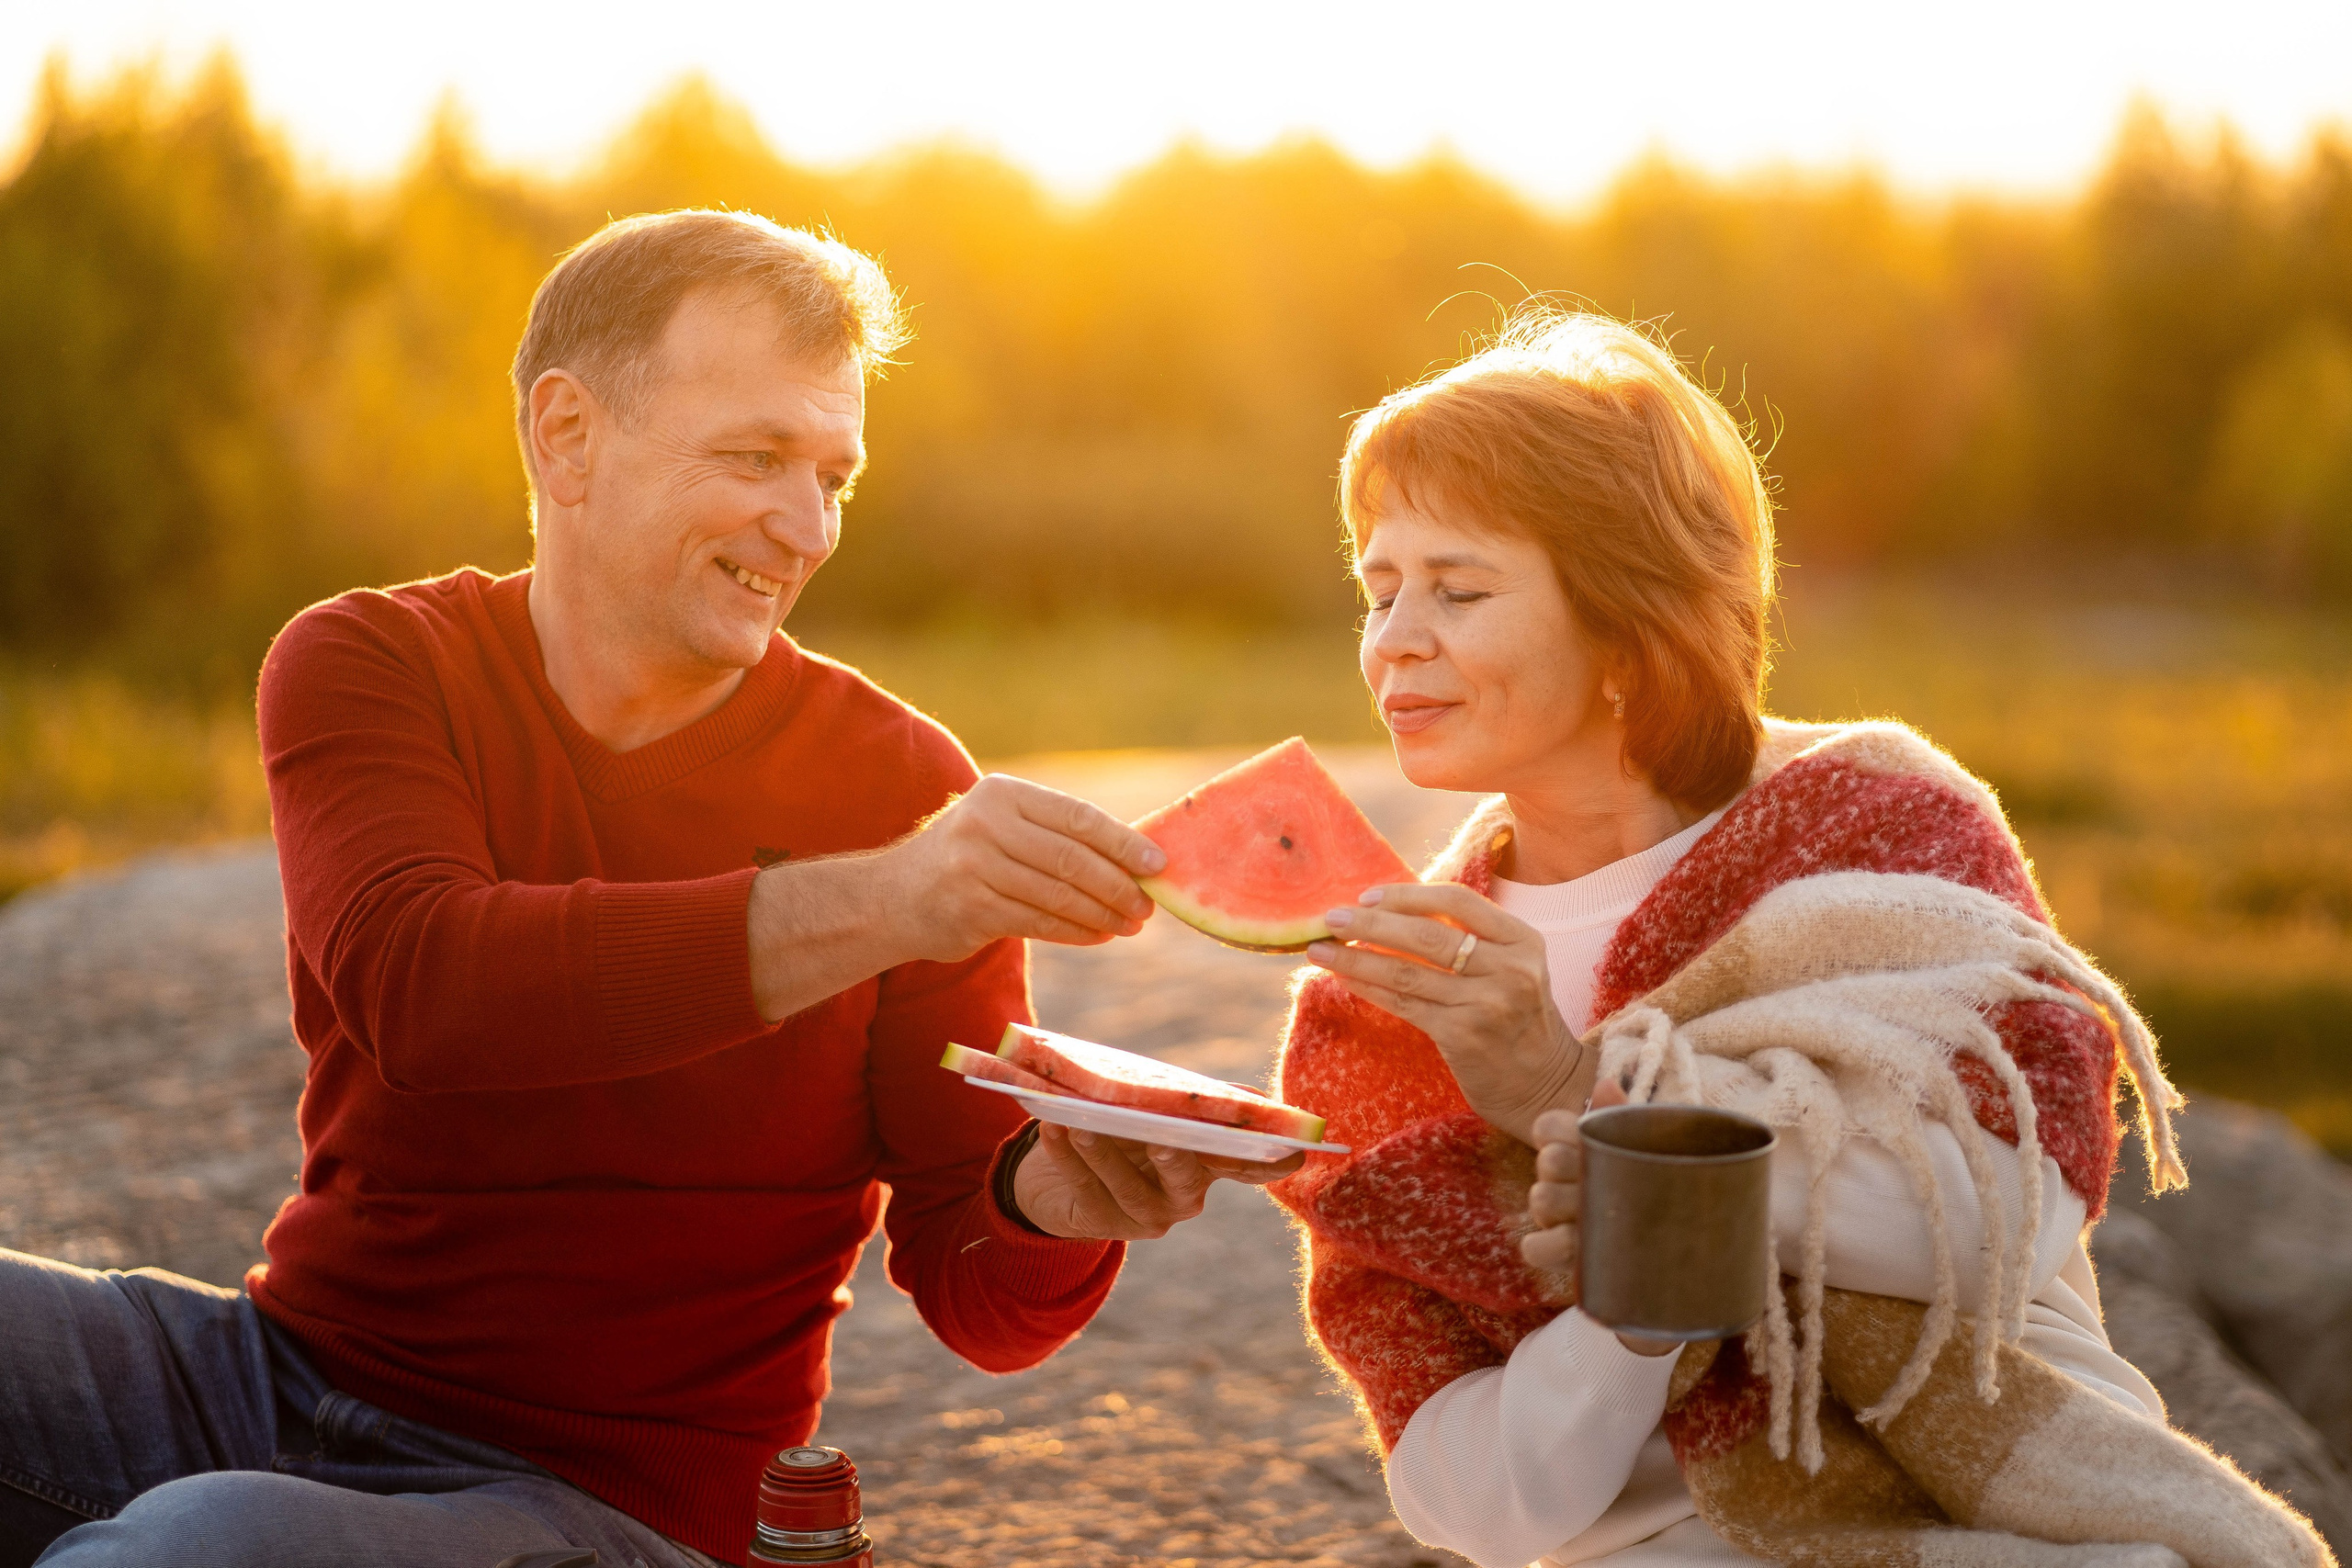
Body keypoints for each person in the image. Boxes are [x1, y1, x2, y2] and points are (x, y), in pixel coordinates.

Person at [0, 209, 1298, 1568]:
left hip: (614, 1505)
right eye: (755, 456)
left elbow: (979, 1292)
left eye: (835, 474)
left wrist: (1054, 1206)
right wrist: (894, 899)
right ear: (566, 437)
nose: (807, 527)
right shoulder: (373, 662)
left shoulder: (898, 780)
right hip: (267, 1373)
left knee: (190, 1551)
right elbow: (429, 988)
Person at [1263, 310, 2188, 1565]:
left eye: (1458, 589)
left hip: (2021, 1515)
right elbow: (1467, 1501)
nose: (1395, 638)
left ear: (1627, 625)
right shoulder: (1378, 1008)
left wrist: (1574, 1094)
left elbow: (2001, 1221)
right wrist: (1635, 1310)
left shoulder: (1877, 825)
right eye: (1378, 590)